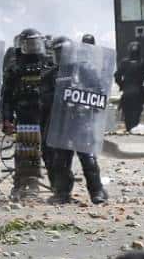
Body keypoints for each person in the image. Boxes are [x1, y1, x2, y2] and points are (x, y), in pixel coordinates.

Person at [39, 36, 108, 205]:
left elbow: (98, 94)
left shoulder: (86, 70)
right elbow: (43, 99)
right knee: (60, 161)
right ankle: (62, 193)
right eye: (57, 52)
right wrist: (59, 97)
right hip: (61, 123)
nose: (61, 55)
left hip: (81, 121)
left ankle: (97, 191)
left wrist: (82, 100)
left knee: (88, 159)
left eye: (63, 52)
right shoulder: (50, 74)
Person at [1, 28, 51, 201]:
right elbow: (6, 96)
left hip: (45, 115)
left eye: (35, 44)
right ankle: (23, 184)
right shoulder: (15, 67)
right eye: (28, 44)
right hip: (25, 114)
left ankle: (58, 187)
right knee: (25, 150)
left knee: (50, 152)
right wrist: (7, 118)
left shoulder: (48, 64)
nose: (32, 48)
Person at [114, 41, 144, 134]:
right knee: (135, 118)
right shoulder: (142, 62)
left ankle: (129, 130)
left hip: (126, 93)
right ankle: (133, 131)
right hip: (138, 93)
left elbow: (117, 76)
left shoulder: (124, 62)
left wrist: (122, 85)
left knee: (128, 117)